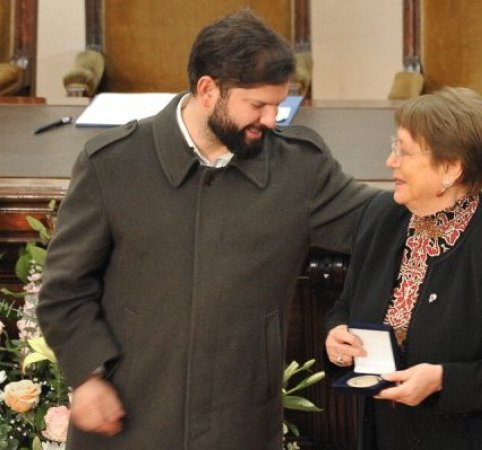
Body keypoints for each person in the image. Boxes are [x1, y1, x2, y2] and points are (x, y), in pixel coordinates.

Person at [37, 9, 376, 450]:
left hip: (240, 424)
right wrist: (88, 376)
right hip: (129, 420)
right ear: (208, 90)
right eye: (257, 105)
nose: (271, 119)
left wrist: (443, 183)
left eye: (278, 104)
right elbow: (64, 290)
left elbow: (379, 226)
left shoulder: (300, 168)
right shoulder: (113, 165)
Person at [324, 87, 482, 449]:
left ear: (451, 168)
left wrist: (442, 380)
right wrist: (336, 335)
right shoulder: (380, 216)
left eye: (403, 151)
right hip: (391, 434)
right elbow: (346, 306)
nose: (390, 162)